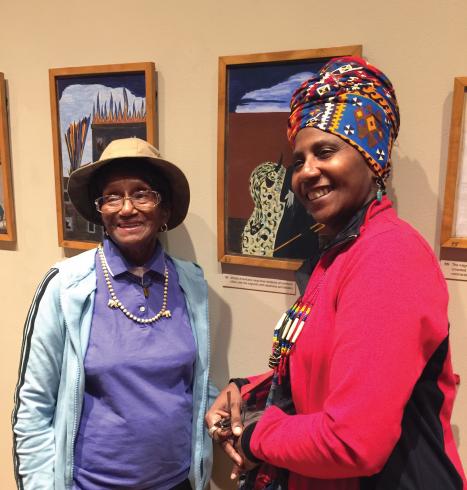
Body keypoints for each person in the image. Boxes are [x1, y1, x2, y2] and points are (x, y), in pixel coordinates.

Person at [206, 57, 467, 489]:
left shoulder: (388, 256)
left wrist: (254, 435)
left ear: (372, 158)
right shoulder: (335, 255)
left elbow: (352, 442)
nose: (307, 171)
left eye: (326, 151)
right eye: (299, 159)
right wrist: (247, 390)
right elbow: (327, 366)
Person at [13, 137, 216, 490]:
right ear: (100, 212)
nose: (126, 208)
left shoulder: (190, 281)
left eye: (142, 194)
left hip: (178, 483)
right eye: (112, 196)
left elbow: (195, 384)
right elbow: (33, 406)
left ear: (164, 210)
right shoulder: (66, 286)